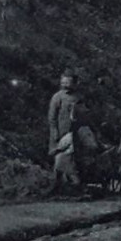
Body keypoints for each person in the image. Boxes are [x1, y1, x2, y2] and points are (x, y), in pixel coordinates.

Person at [47, 68, 83, 196]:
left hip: (73, 134)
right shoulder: (57, 97)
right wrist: (54, 132)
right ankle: (56, 187)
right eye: (63, 82)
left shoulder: (78, 97)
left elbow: (84, 114)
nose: (65, 84)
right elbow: (51, 117)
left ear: (74, 83)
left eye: (68, 82)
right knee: (57, 159)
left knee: (71, 159)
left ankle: (73, 186)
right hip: (59, 133)